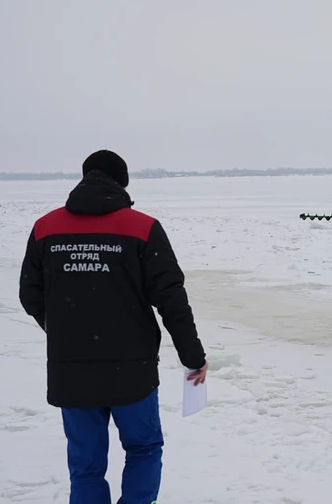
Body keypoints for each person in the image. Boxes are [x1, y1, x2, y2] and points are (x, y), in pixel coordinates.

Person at [18, 149, 208, 504]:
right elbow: (172, 300)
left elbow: (30, 294)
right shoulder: (142, 228)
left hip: (71, 368)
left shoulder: (46, 228)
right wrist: (193, 357)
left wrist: (65, 329)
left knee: (86, 466)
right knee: (144, 448)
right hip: (132, 370)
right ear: (122, 184)